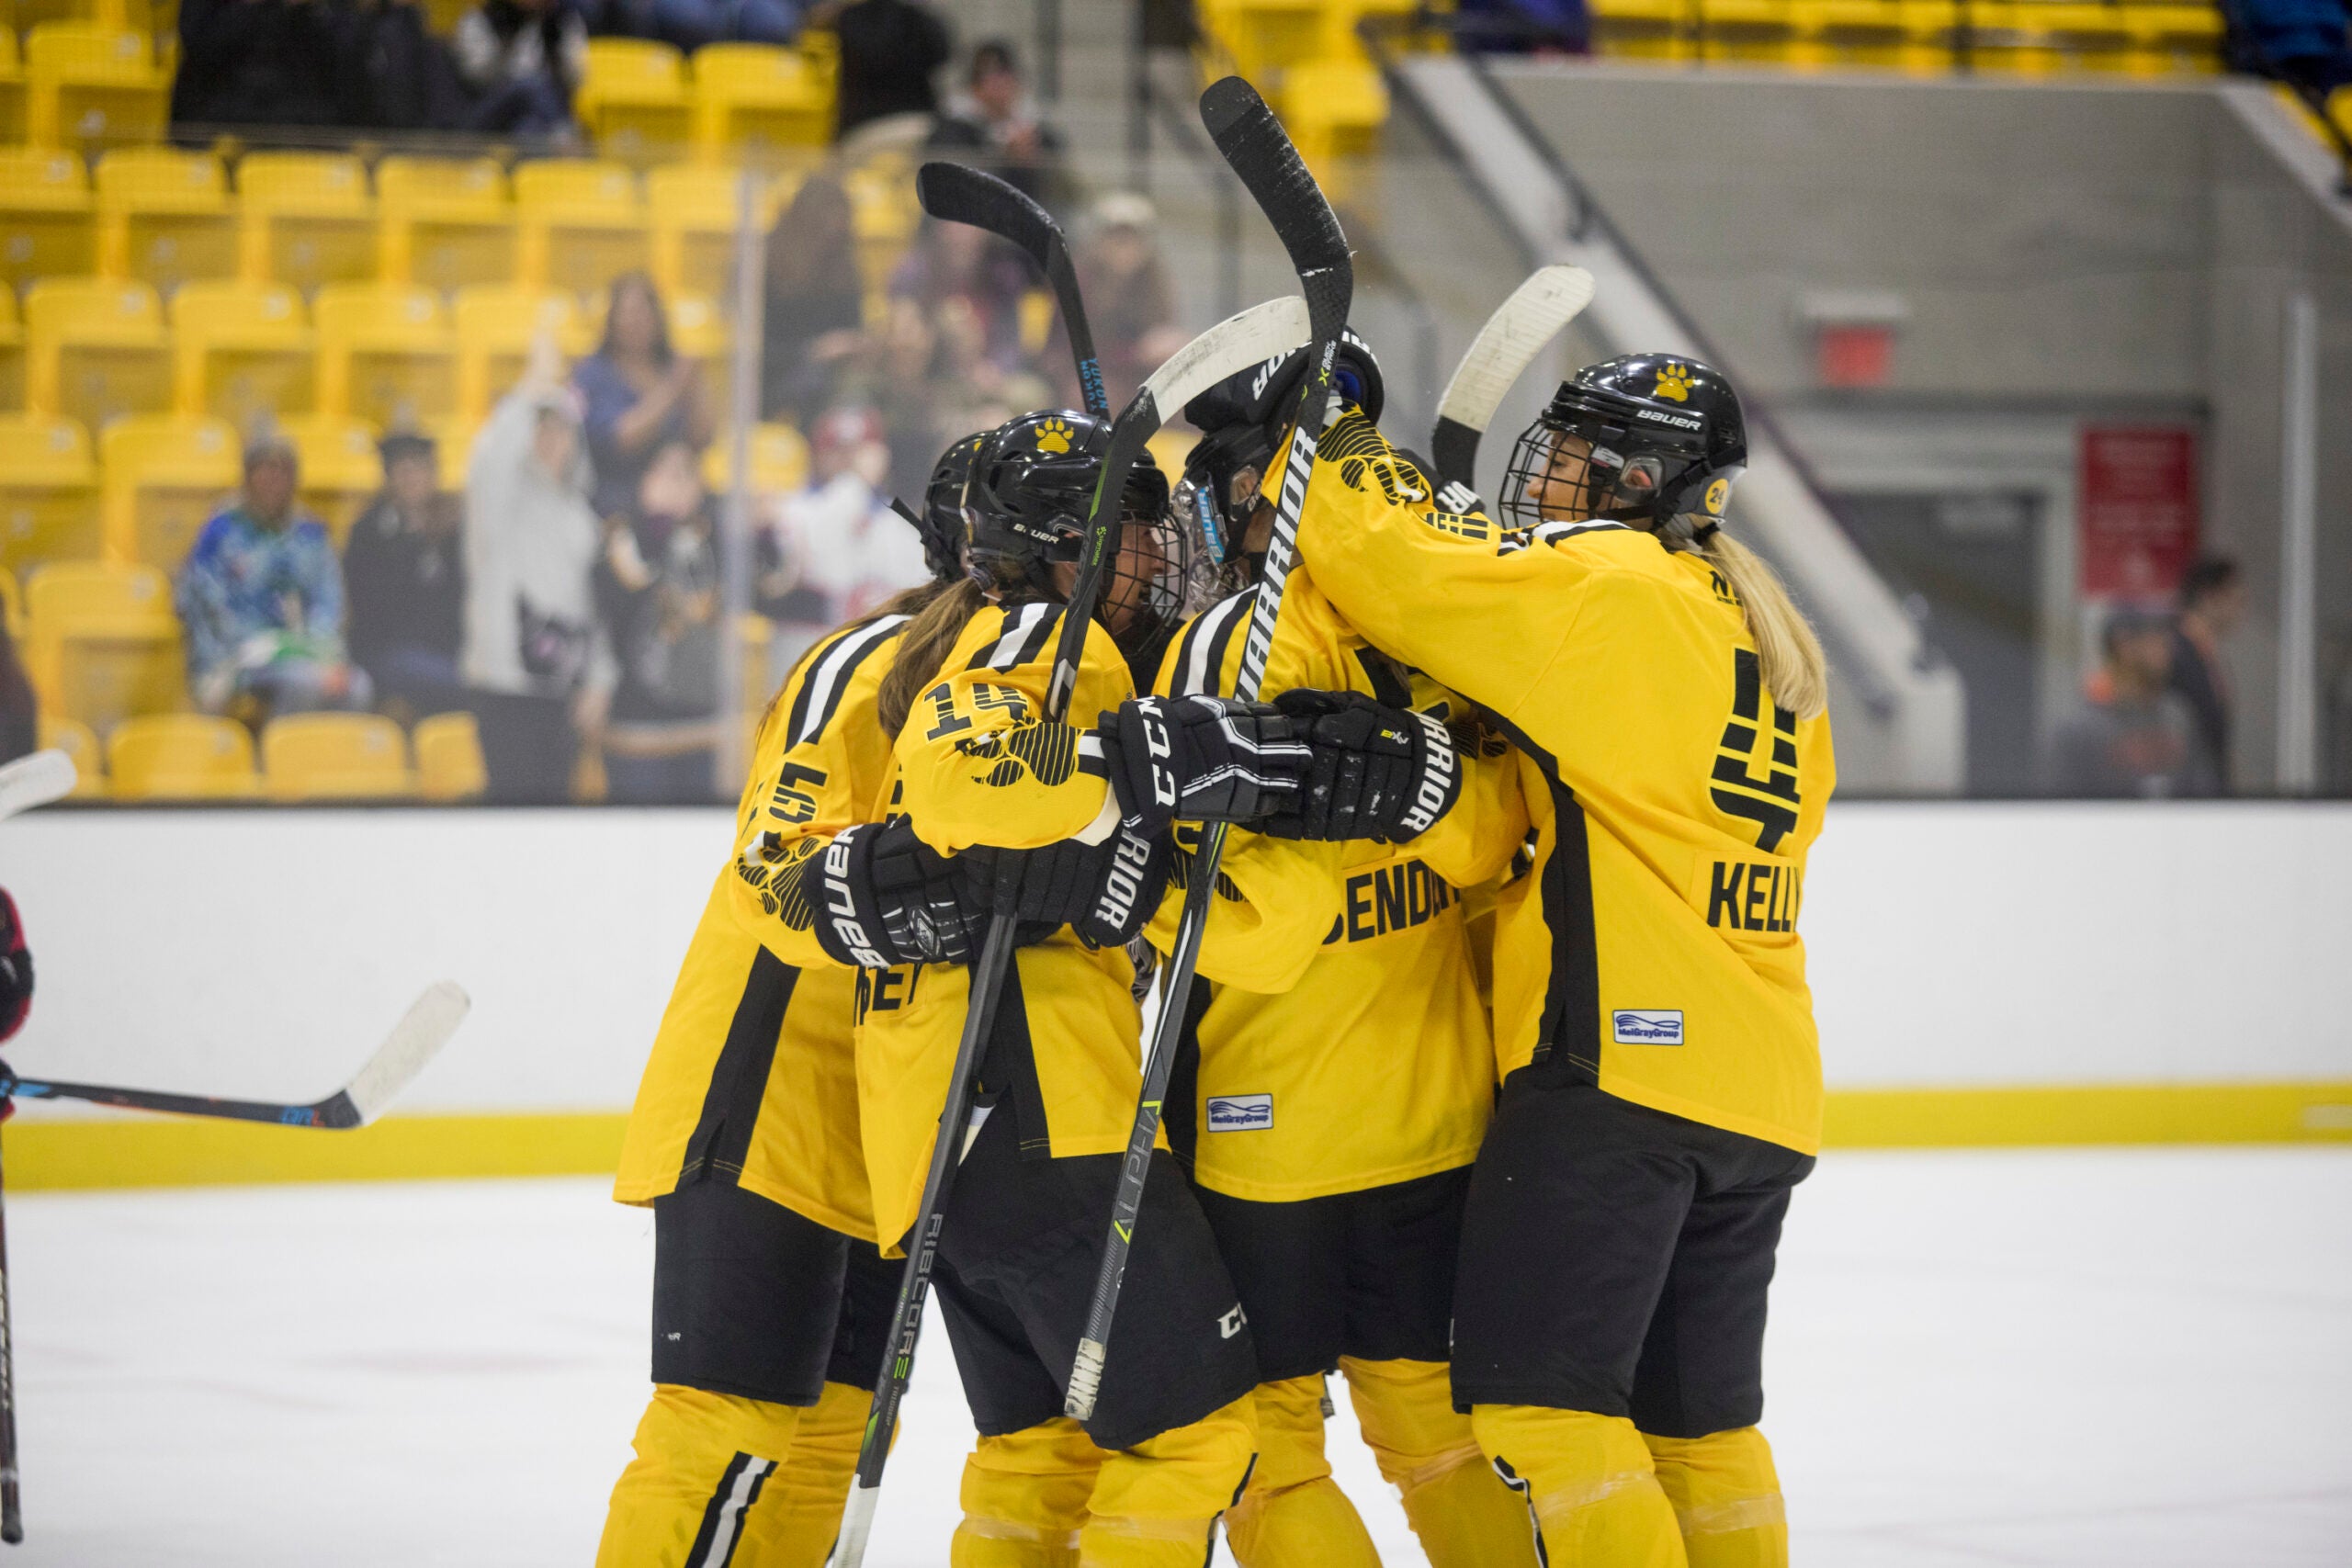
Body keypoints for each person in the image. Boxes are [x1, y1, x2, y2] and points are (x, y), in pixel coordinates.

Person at [1290, 354, 1834, 1567]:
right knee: (1700, 1429)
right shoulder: (1757, 625)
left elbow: (1390, 572)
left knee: (1543, 1407)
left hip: (1618, 1076)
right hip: (1759, 1084)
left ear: (1640, 476)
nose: (1548, 475)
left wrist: (1328, 433)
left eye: (1574, 453)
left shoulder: (1611, 584)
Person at [814, 409, 1353, 1564]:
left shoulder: (1037, 653)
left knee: (1037, 1458)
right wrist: (1134, 780)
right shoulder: (1042, 638)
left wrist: (1161, 831)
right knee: (1198, 1439)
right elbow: (965, 781)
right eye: (1132, 539)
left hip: (951, 1139)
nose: (1156, 563)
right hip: (1034, 1120)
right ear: (1055, 549)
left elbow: (1254, 939)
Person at [1149, 338, 1545, 1568]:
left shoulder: (1234, 642)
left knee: (1270, 1454)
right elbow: (1498, 844)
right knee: (1439, 1437)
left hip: (1277, 1131)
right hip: (1441, 1120)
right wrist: (1415, 795)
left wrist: (1136, 876)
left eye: (1221, 482)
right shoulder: (1439, 629)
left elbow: (1248, 932)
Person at [595, 447, 973, 1568]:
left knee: (837, 1438)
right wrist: (912, 892)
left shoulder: (1048, 688)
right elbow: (777, 865)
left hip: (888, 1122)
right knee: (724, 1428)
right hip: (763, 1104)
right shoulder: (868, 664)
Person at [463, 339, 614, 802]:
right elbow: (488, 460)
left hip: (562, 694)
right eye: (541, 429)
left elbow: (595, 609)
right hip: (505, 690)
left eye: (562, 430)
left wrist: (600, 680)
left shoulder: (583, 520)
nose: (552, 441)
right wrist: (531, 390)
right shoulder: (498, 505)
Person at [176, 431, 372, 724]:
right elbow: (208, 606)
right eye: (265, 469)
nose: (274, 480)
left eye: (284, 470)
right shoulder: (220, 534)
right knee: (301, 684)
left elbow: (329, 601)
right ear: (247, 476)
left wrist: (320, 652)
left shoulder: (311, 535)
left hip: (304, 650)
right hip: (237, 657)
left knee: (357, 687)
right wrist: (265, 647)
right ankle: (279, 761)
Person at [595, 440, 723, 805]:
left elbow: (765, 588)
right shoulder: (623, 538)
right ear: (644, 481)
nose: (677, 482)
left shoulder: (714, 541)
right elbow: (621, 596)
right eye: (666, 471)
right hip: (639, 728)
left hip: (702, 724)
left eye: (687, 473)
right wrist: (657, 526)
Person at [755, 406, 928, 662]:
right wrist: (855, 487)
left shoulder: (903, 525)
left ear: (882, 455)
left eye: (860, 450)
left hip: (876, 659)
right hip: (803, 652)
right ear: (818, 454)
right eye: (838, 450)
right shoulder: (789, 510)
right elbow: (802, 567)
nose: (850, 461)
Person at [576, 273, 717, 525]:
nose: (637, 322)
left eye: (644, 312)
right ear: (613, 319)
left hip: (680, 491)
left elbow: (702, 439)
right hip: (619, 496)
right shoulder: (594, 374)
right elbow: (620, 439)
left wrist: (696, 390)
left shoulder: (670, 366)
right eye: (628, 313)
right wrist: (673, 388)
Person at [343, 432, 468, 715]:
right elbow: (371, 607)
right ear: (389, 478)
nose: (412, 479)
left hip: (445, 648)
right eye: (403, 470)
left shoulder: (454, 530)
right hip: (388, 650)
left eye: (421, 468)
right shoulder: (369, 532)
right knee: (463, 683)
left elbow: (463, 597)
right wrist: (412, 544)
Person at [2049, 605, 2217, 798]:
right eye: (2157, 635)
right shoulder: (2079, 728)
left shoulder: (2178, 715)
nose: (2169, 646)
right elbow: (2063, 812)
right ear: (2124, 644)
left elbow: (2205, 794)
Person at [1059, 195, 1186, 416]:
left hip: (1137, 378)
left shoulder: (1156, 282)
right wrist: (1137, 353)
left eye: (1133, 238)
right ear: (1097, 241)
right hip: (1082, 376)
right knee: (1094, 398)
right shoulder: (1077, 282)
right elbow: (1075, 352)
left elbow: (1163, 331)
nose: (1124, 247)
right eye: (1116, 237)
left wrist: (1173, 345)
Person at [759, 174, 868, 427]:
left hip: (835, 375)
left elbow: (855, 327)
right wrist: (813, 350)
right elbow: (758, 348)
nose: (834, 229)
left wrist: (852, 345)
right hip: (780, 380)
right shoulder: (769, 267)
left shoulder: (844, 270)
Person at [925, 39, 1068, 210]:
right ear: (974, 86)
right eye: (988, 76)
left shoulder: (1036, 131)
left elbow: (1058, 174)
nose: (999, 83)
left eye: (1005, 74)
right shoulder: (954, 128)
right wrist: (1001, 155)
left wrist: (1031, 157)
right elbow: (948, 177)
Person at [452, 0, 588, 135]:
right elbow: (477, 77)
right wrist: (508, 38)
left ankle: (540, 146)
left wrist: (557, 50)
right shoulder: (481, 19)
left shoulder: (561, 20)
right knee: (532, 84)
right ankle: (563, 132)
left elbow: (575, 80)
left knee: (529, 127)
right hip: (489, 108)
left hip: (536, 111)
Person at [826, 0, 952, 141]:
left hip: (874, 126)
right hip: (907, 124)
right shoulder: (918, 19)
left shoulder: (851, 17)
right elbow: (943, 54)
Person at [2169, 554, 2243, 791]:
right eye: (2235, 600)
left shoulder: (2211, 656)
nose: (2240, 611)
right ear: (2208, 596)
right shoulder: (2174, 654)